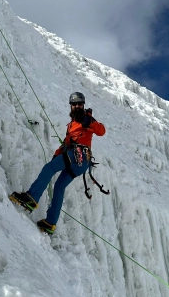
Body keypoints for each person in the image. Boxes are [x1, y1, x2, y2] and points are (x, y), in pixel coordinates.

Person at [9, 92, 106, 234]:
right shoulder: (72, 124)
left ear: (83, 105)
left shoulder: (88, 119)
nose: (77, 106)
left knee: (49, 169)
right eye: (75, 104)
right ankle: (50, 223)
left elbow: (101, 131)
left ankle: (31, 198)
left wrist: (91, 122)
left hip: (78, 155)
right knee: (59, 186)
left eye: (80, 104)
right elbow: (67, 143)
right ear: (71, 106)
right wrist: (57, 155)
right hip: (79, 162)